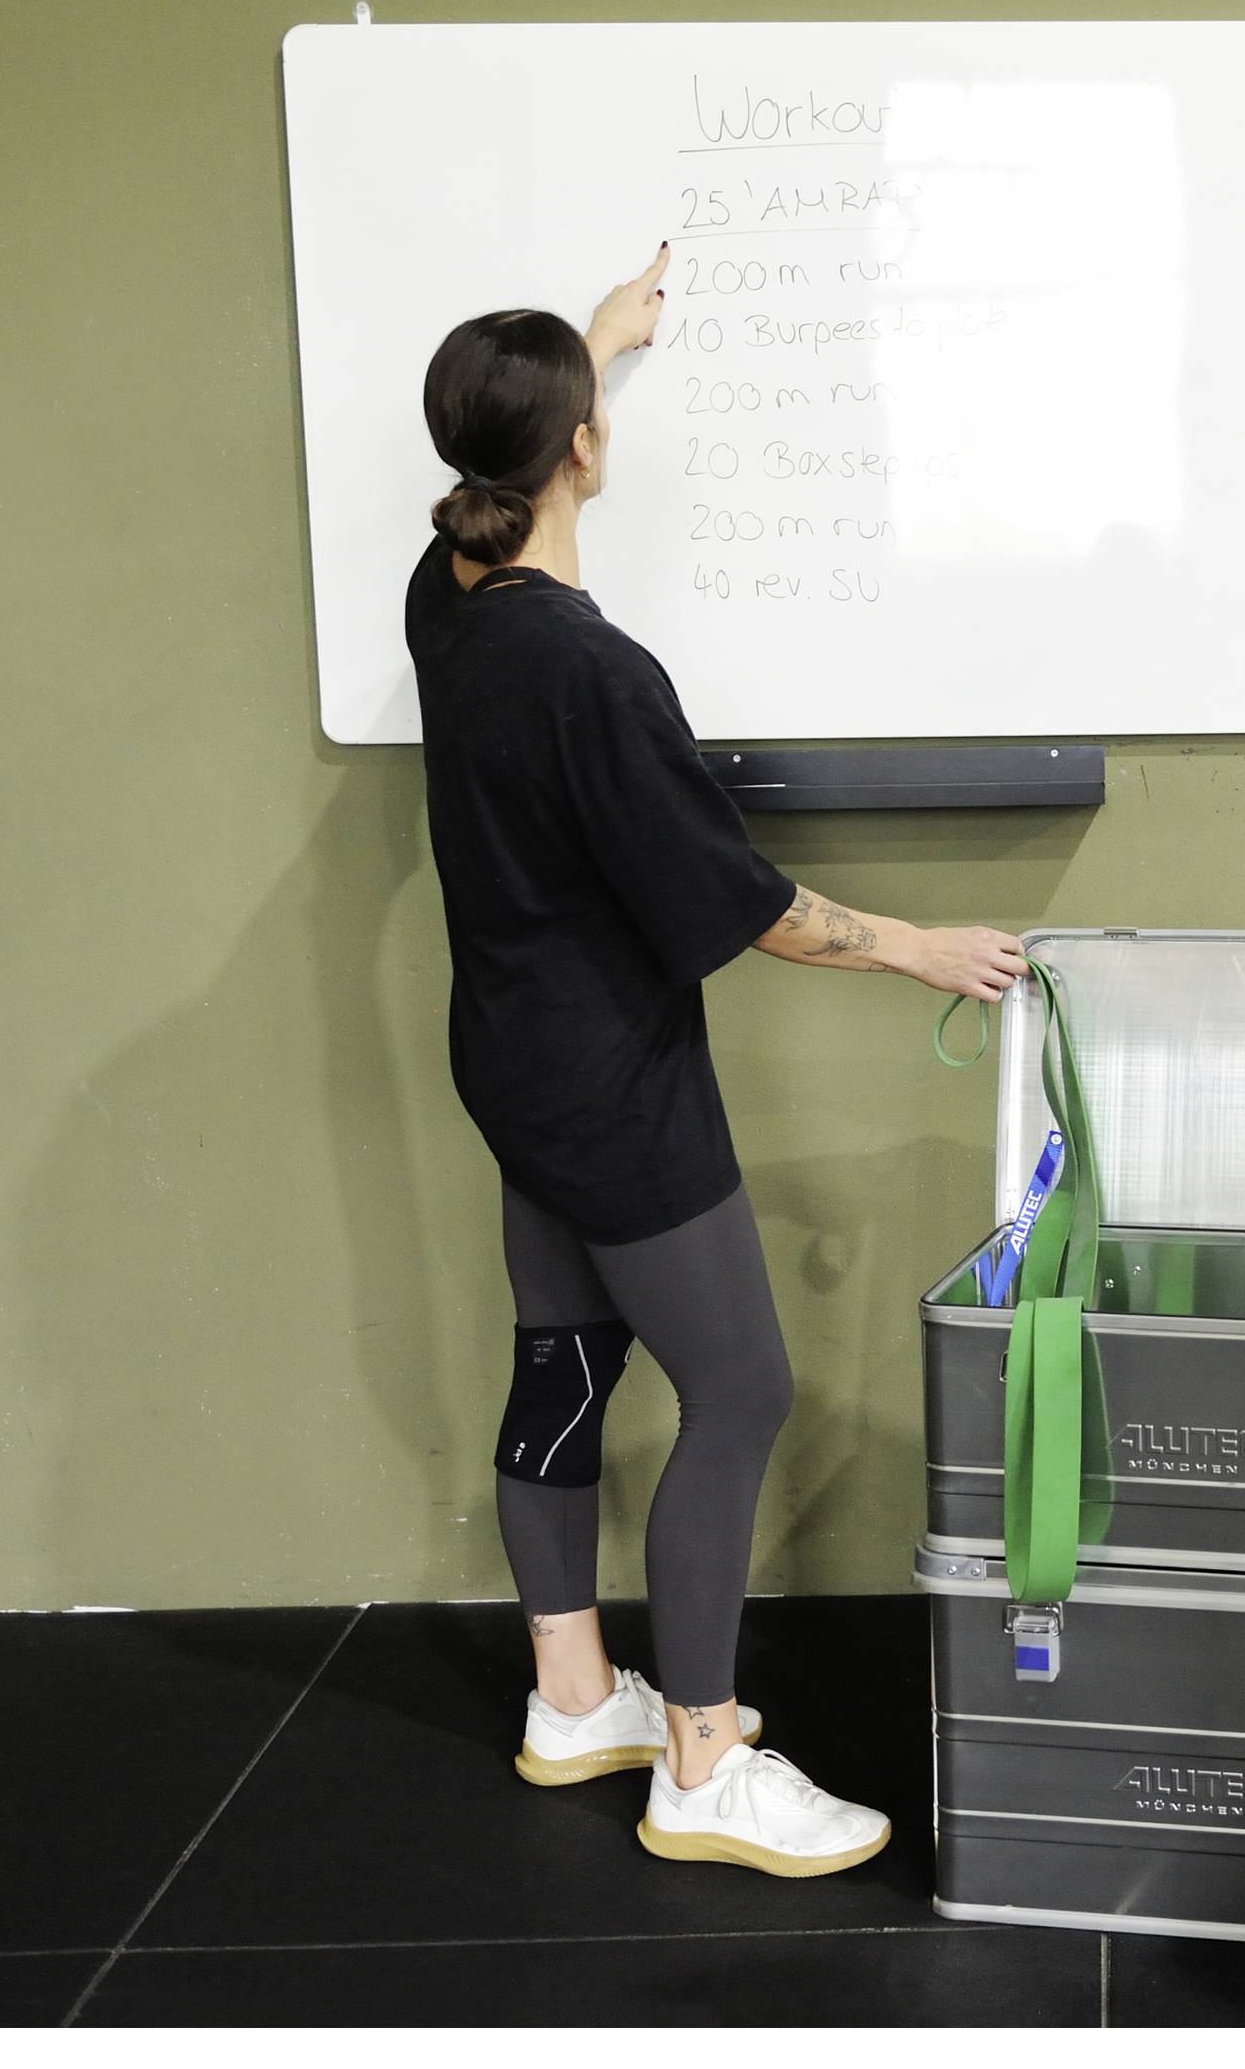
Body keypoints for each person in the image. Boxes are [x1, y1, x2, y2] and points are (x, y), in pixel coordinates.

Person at [408, 249, 1025, 1877]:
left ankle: (571, 1699)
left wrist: (595, 341)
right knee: (743, 1388)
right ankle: (698, 1760)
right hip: (618, 1094)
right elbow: (747, 907)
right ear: (585, 447)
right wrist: (918, 945)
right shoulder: (598, 678)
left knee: (563, 1363)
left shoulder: (444, 604)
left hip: (513, 1072)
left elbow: (504, 483)